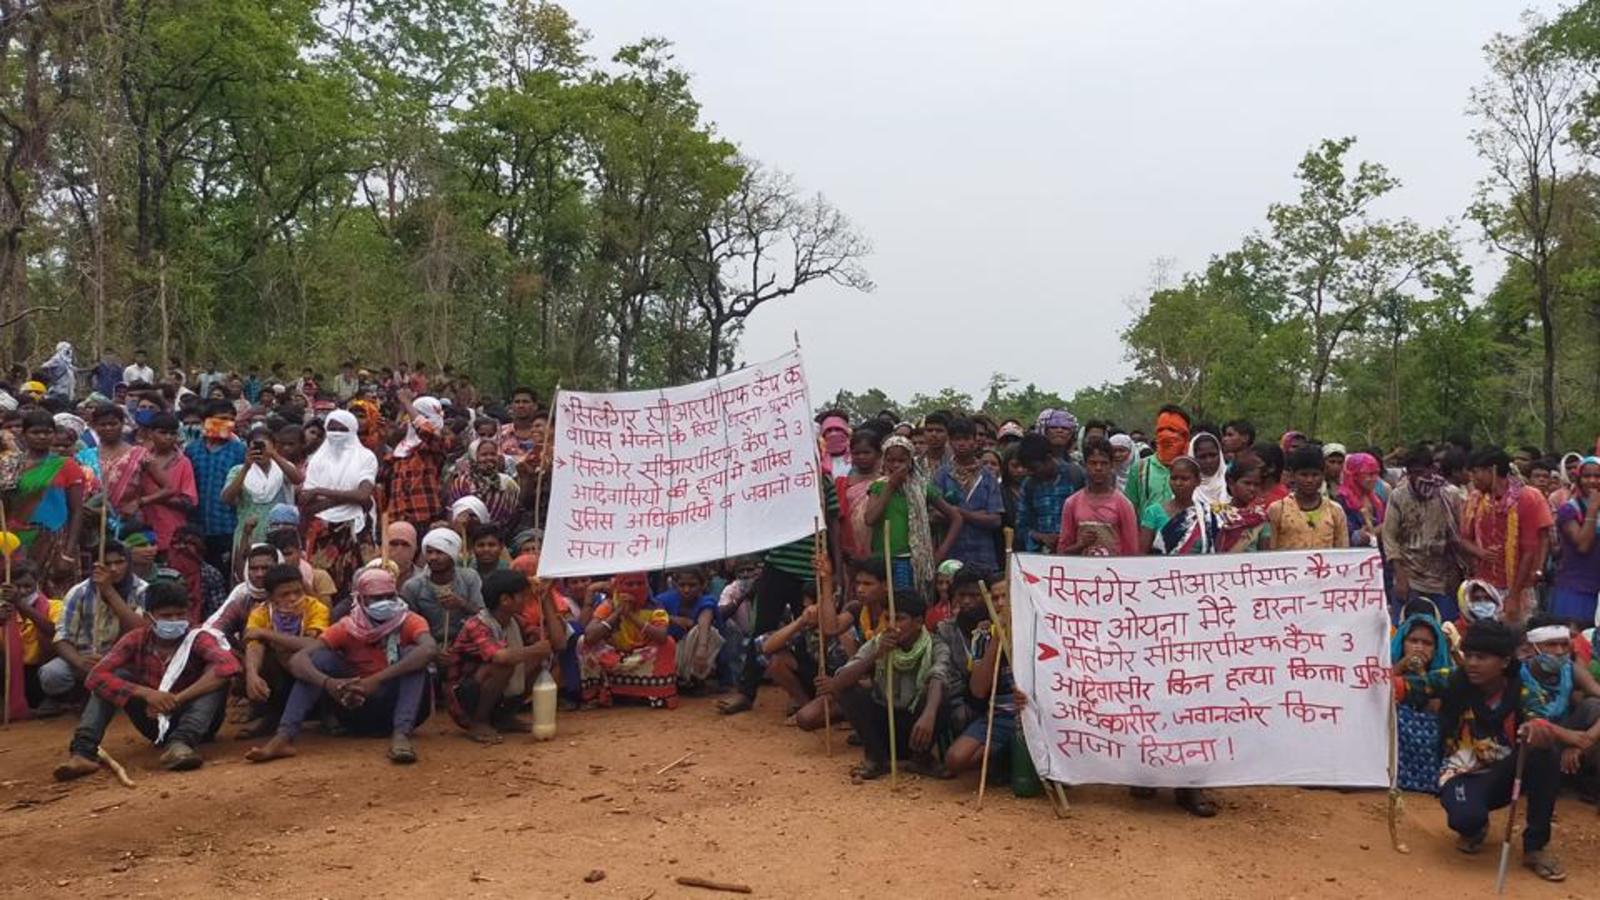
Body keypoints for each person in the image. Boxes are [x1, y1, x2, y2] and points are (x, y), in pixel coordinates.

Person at [1392, 620, 1566, 882]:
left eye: (1481, 657)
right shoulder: (1452, 679)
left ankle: (1535, 847)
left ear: (1505, 662)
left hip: (1505, 773)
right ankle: (1475, 827)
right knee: (1466, 819)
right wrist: (1389, 681)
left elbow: (1538, 716)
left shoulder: (1523, 689)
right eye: (1469, 655)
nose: (1472, 663)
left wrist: (1535, 728)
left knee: (1545, 752)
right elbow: (1406, 687)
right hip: (1461, 773)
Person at [246, 567, 436, 765]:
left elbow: (430, 649)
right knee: (320, 658)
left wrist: (375, 680)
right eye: (376, 598)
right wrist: (330, 684)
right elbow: (298, 660)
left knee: (415, 656)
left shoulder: (409, 620)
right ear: (361, 599)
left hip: (399, 705)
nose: (384, 603)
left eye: (389, 596)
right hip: (354, 706)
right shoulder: (347, 626)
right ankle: (283, 737)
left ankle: (401, 735)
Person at [53, 580, 238, 779]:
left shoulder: (198, 637)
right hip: (152, 720)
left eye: (180, 614)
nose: (175, 620)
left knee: (216, 674)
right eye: (166, 616)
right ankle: (83, 751)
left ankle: (181, 744)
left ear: (189, 614)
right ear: (149, 617)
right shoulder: (136, 639)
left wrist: (177, 699)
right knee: (113, 677)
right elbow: (95, 676)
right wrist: (146, 694)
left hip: (199, 722)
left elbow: (229, 666)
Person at [816, 588, 949, 780]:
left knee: (940, 694)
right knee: (850, 690)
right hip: (883, 724)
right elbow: (839, 682)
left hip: (918, 728)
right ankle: (876, 759)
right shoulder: (878, 643)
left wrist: (929, 714)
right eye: (887, 618)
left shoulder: (936, 645)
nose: (892, 625)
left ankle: (921, 758)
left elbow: (939, 676)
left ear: (919, 622)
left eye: (900, 619)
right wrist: (876, 654)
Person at [446, 568, 553, 743]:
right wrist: (536, 650)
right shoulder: (477, 625)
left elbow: (556, 642)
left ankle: (504, 718)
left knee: (539, 659)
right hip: (464, 697)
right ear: (505, 600)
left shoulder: (514, 619)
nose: (527, 599)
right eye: (522, 595)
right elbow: (499, 657)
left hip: (484, 686)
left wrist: (546, 598)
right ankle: (479, 722)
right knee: (504, 665)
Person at [39, 543, 147, 703]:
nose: (113, 569)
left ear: (129, 563)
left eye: (119, 562)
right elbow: (61, 637)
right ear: (96, 566)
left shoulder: (142, 590)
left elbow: (141, 630)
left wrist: (108, 591)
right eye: (107, 564)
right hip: (85, 659)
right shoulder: (79, 592)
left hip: (123, 661)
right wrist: (80, 662)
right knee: (52, 674)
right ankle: (70, 698)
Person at [1460, 448, 1553, 624]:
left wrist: (1514, 596)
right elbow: (1464, 539)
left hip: (1519, 586)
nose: (1472, 478)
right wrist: (1482, 553)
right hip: (1483, 588)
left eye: (1476, 472)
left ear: (1492, 470)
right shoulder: (1475, 499)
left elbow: (1529, 550)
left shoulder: (1527, 498)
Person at [864, 435, 963, 600]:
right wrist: (890, 486)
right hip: (882, 558)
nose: (896, 465)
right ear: (884, 461)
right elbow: (870, 519)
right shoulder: (878, 486)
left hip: (910, 560)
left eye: (901, 461)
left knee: (906, 604)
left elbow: (956, 517)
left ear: (910, 461)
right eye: (891, 460)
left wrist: (940, 552)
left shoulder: (922, 487)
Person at [240, 564, 330, 738]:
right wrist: (251, 675)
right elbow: (253, 644)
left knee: (321, 657)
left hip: (311, 672)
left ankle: (327, 713)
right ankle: (273, 716)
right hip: (281, 675)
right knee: (258, 659)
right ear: (271, 597)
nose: (293, 598)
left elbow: (313, 644)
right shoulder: (260, 613)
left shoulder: (316, 608)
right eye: (284, 594)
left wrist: (266, 633)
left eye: (297, 591)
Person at [941, 570, 1015, 779]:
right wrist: (997, 639)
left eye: (1005, 597)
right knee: (955, 759)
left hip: (1034, 714)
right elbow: (978, 690)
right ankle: (1005, 756)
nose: (1000, 604)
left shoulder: (1037, 628)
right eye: (995, 598)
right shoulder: (982, 635)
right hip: (999, 715)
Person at [1384, 445, 1466, 622]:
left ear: (1432, 469)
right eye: (1413, 473)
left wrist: (1455, 571)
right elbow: (1390, 537)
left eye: (1422, 472)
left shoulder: (1450, 495)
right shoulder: (1399, 495)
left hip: (1441, 578)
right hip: (1410, 575)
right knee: (1405, 628)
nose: (1418, 477)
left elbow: (1459, 536)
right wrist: (1400, 575)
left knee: (1446, 630)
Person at [300, 410, 377, 596]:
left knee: (358, 585)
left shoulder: (365, 457)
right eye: (332, 429)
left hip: (356, 530)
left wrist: (320, 492)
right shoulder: (317, 461)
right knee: (322, 587)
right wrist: (348, 497)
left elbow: (363, 495)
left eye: (342, 429)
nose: (336, 434)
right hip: (322, 532)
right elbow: (307, 504)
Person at [1, 409, 86, 575]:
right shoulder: (9, 464)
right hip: (15, 538)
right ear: (23, 435)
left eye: (47, 432)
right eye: (35, 432)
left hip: (55, 539)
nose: (42, 437)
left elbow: (76, 510)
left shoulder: (67, 466)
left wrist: (68, 553)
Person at [579, 572, 678, 709]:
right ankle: (598, 694)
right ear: (620, 586)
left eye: (639, 584)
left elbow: (661, 636)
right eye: (629, 584)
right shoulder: (608, 605)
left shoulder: (655, 607)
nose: (635, 588)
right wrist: (617, 613)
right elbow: (589, 636)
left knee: (668, 644)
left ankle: (654, 694)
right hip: (613, 656)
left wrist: (630, 615)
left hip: (642, 657)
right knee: (582, 642)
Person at [1391, 603, 1450, 794]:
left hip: (1428, 746)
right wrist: (1401, 666)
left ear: (1436, 648)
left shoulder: (1445, 674)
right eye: (1413, 640)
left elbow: (1435, 707)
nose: (1419, 647)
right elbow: (1377, 692)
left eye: (1427, 643)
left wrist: (1422, 674)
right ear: (1402, 642)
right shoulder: (1386, 663)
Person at [933, 417, 1005, 573]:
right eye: (956, 439)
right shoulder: (941, 475)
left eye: (966, 439)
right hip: (951, 555)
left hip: (983, 556)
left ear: (975, 441)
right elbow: (934, 514)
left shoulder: (988, 476)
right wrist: (977, 515)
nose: (961, 444)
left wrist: (957, 513)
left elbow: (995, 520)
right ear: (950, 442)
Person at [222, 424, 302, 552]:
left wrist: (274, 455)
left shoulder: (282, 468)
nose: (260, 450)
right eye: (255, 446)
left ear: (274, 446)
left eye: (264, 446)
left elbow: (297, 479)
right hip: (248, 535)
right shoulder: (237, 470)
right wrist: (246, 467)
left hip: (280, 537)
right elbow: (226, 498)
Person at [401, 527, 484, 648]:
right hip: (427, 646)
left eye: (440, 552)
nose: (433, 557)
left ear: (452, 555)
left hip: (465, 643)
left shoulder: (469, 578)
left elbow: (484, 616)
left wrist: (462, 604)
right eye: (429, 552)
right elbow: (408, 627)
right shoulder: (412, 586)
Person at [1058, 436, 1139, 556]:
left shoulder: (1123, 504)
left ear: (1111, 465)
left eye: (1104, 463)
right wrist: (1081, 544)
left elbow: (1131, 550)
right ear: (1084, 465)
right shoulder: (1072, 503)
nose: (1098, 468)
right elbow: (1062, 550)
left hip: (1113, 572)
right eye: (1093, 463)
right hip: (1080, 572)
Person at [1, 562, 59, 720]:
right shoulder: (3, 610)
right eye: (17, 587)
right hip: (8, 672)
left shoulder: (54, 606)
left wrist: (19, 604)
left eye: (28, 586)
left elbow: (53, 631)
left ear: (37, 583)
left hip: (39, 672)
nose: (23, 591)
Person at [385, 396, 452, 534]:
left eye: (421, 415)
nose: (413, 420)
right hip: (398, 518)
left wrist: (406, 402)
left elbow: (427, 432)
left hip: (425, 517)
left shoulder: (437, 446)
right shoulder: (401, 449)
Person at [1266, 445, 1349, 551]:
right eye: (1304, 475)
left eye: (1315, 475)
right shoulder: (1278, 509)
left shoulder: (1335, 510)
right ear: (1292, 475)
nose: (1309, 480)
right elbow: (1270, 552)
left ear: (1323, 475)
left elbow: (1343, 551)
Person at [655, 566, 723, 692]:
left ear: (703, 585)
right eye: (682, 585)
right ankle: (678, 679)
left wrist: (702, 648)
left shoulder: (707, 600)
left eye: (692, 585)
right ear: (675, 584)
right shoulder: (664, 599)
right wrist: (671, 618)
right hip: (668, 653)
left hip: (694, 656)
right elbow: (648, 615)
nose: (686, 589)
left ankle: (695, 678)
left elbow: (705, 620)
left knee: (709, 632)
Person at [1013, 432, 1084, 553]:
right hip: (1042, 557)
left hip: (1075, 554)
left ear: (1048, 458)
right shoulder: (1029, 485)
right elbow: (1021, 527)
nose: (1031, 473)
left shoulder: (1075, 476)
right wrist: (1042, 537)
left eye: (1034, 468)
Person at [1551, 456, 1600, 624]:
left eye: (1598, 476)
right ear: (1578, 479)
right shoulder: (1569, 509)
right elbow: (1583, 545)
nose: (1592, 481)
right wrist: (1593, 509)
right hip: (1577, 591)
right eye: (1587, 476)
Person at [1140, 456, 1221, 556]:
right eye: (1174, 478)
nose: (1178, 483)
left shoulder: (1207, 514)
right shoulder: (1153, 512)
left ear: (1197, 481)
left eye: (1184, 479)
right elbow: (1142, 554)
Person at [1125, 405, 1189, 515]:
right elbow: (1130, 511)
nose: (1166, 435)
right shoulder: (1140, 468)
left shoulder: (1194, 469)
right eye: (1161, 430)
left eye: (1172, 430)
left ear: (1185, 435)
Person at [445, 440, 521, 532]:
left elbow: (514, 511)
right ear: (474, 457)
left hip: (496, 536)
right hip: (467, 534)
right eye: (484, 455)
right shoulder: (462, 482)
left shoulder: (506, 483)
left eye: (493, 454)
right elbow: (452, 510)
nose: (489, 458)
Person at [1217, 458, 1272, 552]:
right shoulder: (1217, 514)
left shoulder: (1260, 517)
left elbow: (1265, 555)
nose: (1252, 489)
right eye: (1247, 483)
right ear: (1231, 483)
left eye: (1256, 484)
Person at [1336, 451, 1386, 549]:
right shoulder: (1341, 501)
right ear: (1354, 475)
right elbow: (1346, 537)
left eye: (1376, 473)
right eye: (1369, 474)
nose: (1375, 478)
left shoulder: (1377, 499)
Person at [497, 387, 544, 464]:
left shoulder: (544, 434)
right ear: (511, 406)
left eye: (525, 402)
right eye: (517, 402)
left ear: (535, 406)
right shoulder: (500, 432)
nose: (521, 405)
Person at [1189, 432, 1227, 507]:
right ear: (1193, 458)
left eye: (1213, 455)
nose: (1209, 461)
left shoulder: (1232, 483)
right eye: (1202, 457)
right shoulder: (1186, 489)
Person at [818, 411, 853, 479]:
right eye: (829, 430)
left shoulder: (857, 457)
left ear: (846, 432)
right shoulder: (818, 461)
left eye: (838, 429)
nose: (833, 434)